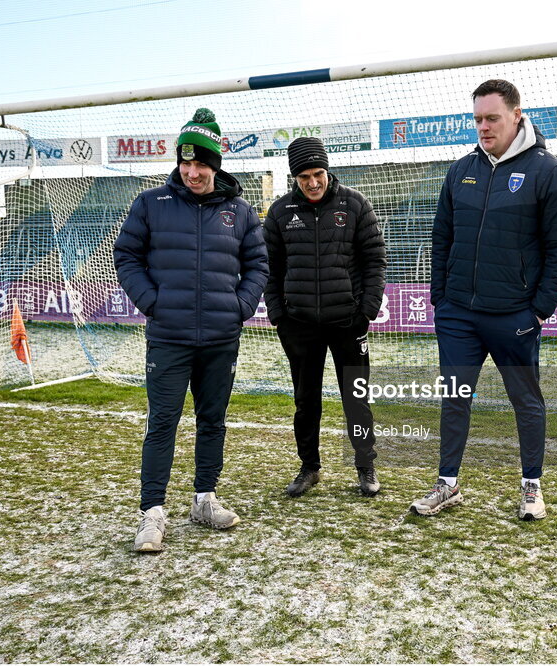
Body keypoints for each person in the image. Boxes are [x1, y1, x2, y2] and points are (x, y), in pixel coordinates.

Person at [410, 79, 557, 521]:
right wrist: (440, 299)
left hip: (514, 316)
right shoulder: (461, 169)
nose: (483, 128)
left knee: (526, 400)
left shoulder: (547, 171)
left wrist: (537, 309)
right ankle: (447, 483)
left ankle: (531, 486)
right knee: (454, 398)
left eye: (492, 119)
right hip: (458, 315)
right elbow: (442, 236)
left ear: (516, 116)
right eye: (478, 120)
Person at [114, 108, 268, 552]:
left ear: (216, 164)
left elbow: (258, 264)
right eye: (186, 162)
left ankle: (204, 499)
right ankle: (152, 514)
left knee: (212, 420)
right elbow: (126, 256)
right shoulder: (150, 203)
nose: (192, 171)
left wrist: (239, 307)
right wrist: (152, 302)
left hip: (221, 337)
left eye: (201, 163)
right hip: (169, 334)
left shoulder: (239, 211)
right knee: (162, 420)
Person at [263, 137, 387, 498]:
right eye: (304, 177)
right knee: (306, 400)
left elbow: (375, 260)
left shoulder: (355, 204)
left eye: (318, 173)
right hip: (299, 325)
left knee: (356, 397)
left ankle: (365, 466)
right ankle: (309, 467)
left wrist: (366, 310)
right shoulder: (280, 212)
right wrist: (279, 316)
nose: (313, 183)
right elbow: (269, 269)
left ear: (327, 170)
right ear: (294, 178)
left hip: (348, 322)